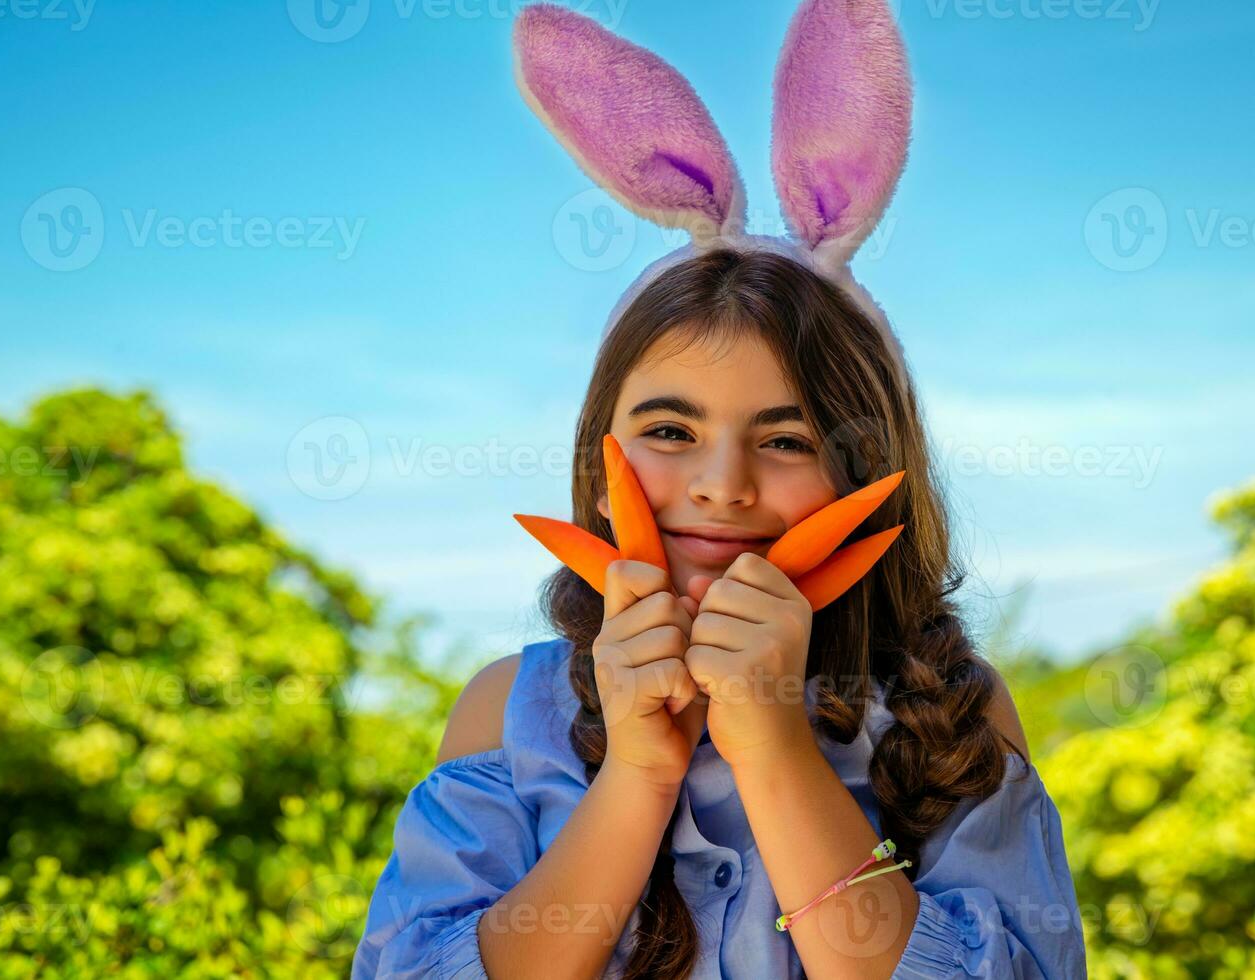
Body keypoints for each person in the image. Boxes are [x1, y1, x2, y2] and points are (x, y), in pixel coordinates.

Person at [353, 1, 1088, 976]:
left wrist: (774, 744)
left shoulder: (950, 712)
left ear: (865, 467)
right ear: (598, 460)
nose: (720, 486)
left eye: (785, 438)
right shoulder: (506, 710)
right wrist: (639, 770)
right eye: (668, 431)